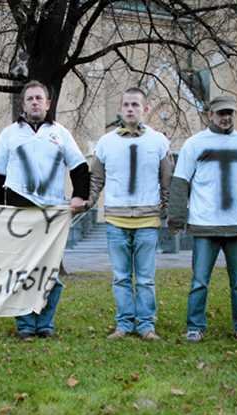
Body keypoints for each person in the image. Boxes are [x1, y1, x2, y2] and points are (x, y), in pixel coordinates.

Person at [0, 80, 90, 340]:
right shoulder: (9, 134)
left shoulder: (60, 133)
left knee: (49, 272)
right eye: (30, 98)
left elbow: (79, 166)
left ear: (48, 104)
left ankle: (45, 322)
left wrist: (80, 195)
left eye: (39, 98)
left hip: (51, 214)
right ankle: (25, 324)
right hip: (18, 211)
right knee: (20, 270)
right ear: (23, 104)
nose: (34, 102)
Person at [168, 95, 237, 342]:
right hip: (205, 224)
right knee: (200, 280)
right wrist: (176, 219)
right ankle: (195, 326)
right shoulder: (195, 144)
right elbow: (180, 183)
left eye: (230, 113)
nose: (226, 118)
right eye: (221, 113)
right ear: (210, 115)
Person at [86, 87, 172, 341]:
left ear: (146, 109)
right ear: (120, 109)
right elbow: (96, 179)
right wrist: (88, 201)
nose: (131, 109)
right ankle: (124, 324)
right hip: (116, 219)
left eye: (136, 105)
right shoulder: (106, 142)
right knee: (121, 277)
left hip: (147, 219)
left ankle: (146, 325)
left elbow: (167, 180)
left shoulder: (158, 141)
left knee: (145, 278)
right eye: (126, 105)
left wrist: (167, 210)